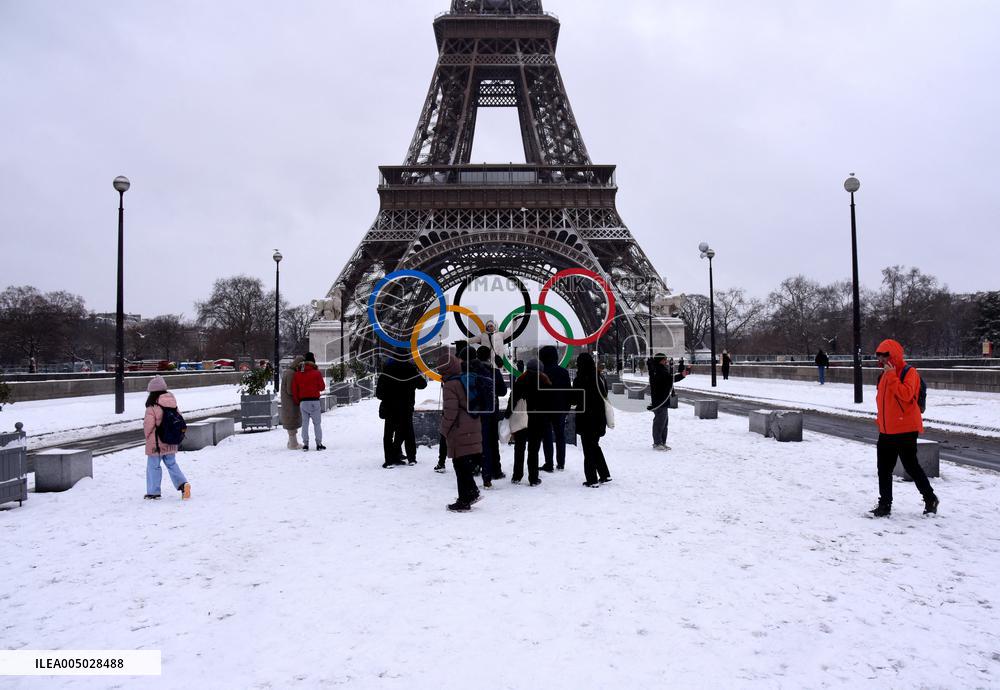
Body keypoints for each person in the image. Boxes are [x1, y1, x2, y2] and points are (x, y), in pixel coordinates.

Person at [870, 339, 939, 517]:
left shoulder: (909, 372)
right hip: (886, 430)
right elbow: (883, 403)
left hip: (905, 429)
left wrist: (892, 376)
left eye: (885, 356)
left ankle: (930, 498)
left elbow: (907, 395)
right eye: (879, 356)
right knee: (883, 469)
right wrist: (880, 421)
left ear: (893, 355)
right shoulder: (883, 375)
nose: (882, 360)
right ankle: (885, 504)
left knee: (911, 466)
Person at [440, 350, 483, 512]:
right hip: (472, 424)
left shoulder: (451, 385)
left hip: (459, 428)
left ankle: (464, 500)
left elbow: (450, 412)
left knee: (460, 465)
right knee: (463, 464)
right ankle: (471, 492)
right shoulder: (466, 379)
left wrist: (443, 429)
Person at [142, 375, 191, 500]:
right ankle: (183, 484)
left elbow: (148, 425)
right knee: (172, 464)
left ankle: (154, 492)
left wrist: (148, 437)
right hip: (171, 440)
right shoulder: (172, 403)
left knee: (153, 466)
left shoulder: (152, 406)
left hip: (156, 443)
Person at [376, 355, 428, 468]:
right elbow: (423, 384)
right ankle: (411, 458)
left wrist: (388, 396)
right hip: (406, 407)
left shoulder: (386, 372)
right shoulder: (410, 370)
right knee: (408, 432)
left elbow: (379, 394)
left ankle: (389, 460)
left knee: (388, 434)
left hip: (390, 408)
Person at [571, 352, 611, 487]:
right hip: (599, 417)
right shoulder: (599, 377)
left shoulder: (580, 379)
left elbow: (574, 399)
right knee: (594, 446)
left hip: (586, 418)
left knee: (588, 449)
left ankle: (592, 479)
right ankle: (604, 474)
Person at [510, 359, 551, 486]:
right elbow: (548, 403)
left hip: (521, 418)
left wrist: (508, 415)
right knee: (533, 449)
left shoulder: (520, 380)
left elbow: (513, 399)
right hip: (538, 420)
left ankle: (517, 476)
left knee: (519, 448)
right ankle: (533, 478)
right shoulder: (545, 382)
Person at [475, 346, 507, 487]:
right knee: (492, 440)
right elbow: (502, 391)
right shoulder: (494, 373)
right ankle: (495, 469)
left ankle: (476, 466)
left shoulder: (472, 372)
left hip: (475, 411)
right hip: (491, 410)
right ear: (489, 357)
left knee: (477, 440)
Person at [539, 345, 571, 472]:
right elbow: (568, 392)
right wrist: (567, 407)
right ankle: (561, 463)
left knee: (546, 436)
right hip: (560, 408)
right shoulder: (563, 372)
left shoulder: (540, 373)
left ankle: (549, 463)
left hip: (544, 408)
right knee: (560, 436)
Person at [647, 353, 688, 451]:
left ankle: (662, 442)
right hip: (660, 401)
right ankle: (657, 443)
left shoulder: (660, 369)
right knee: (659, 422)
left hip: (662, 400)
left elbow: (669, 379)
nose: (666, 361)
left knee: (664, 422)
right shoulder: (658, 370)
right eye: (665, 359)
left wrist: (681, 375)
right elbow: (669, 380)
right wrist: (681, 375)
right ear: (660, 360)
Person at [292, 352, 326, 451]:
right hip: (314, 401)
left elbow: (295, 389)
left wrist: (297, 401)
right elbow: (322, 387)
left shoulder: (298, 374)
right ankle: (319, 443)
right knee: (317, 424)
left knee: (305, 424)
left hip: (303, 401)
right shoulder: (316, 373)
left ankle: (305, 444)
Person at [279, 355, 305, 449]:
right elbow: (290, 390)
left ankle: (291, 442)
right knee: (291, 421)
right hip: (290, 402)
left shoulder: (288, 372)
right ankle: (293, 444)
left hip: (287, 401)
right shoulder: (291, 374)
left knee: (291, 420)